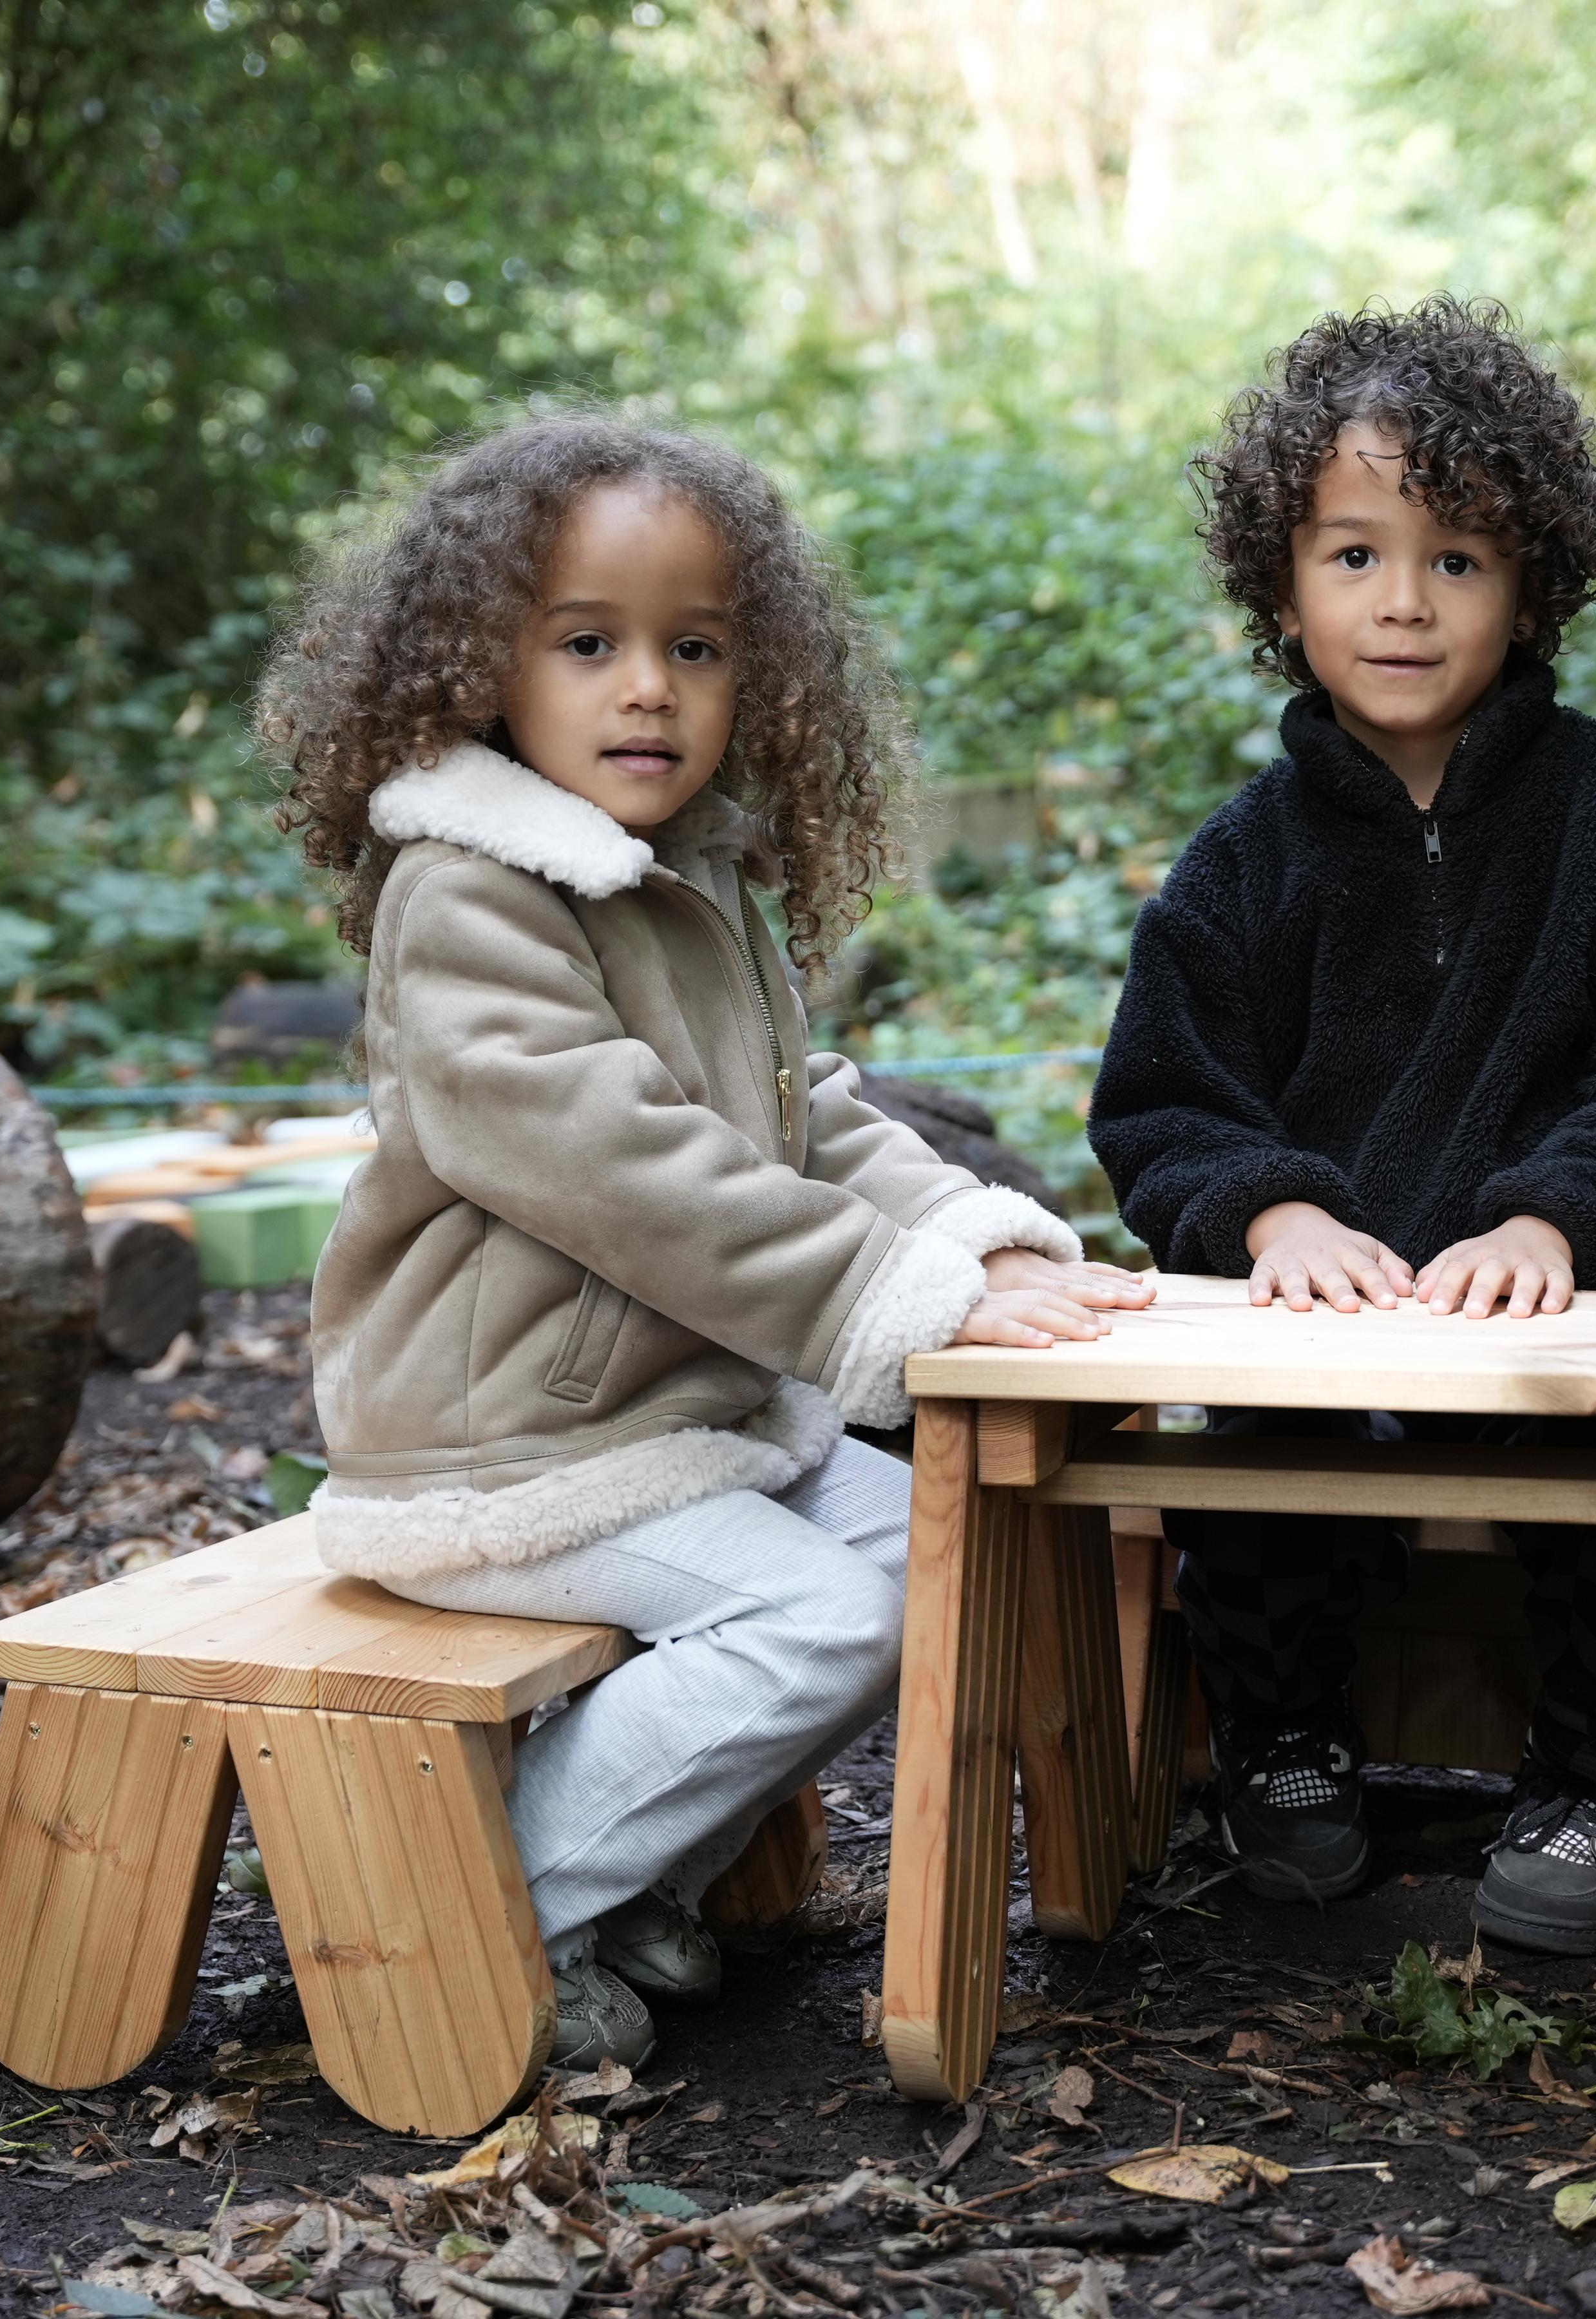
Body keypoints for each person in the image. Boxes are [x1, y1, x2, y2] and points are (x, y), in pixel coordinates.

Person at [258, 415, 1151, 2064]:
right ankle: (501, 1902)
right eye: (588, 644)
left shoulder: (693, 879)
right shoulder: (469, 897)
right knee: (821, 1620)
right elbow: (624, 1164)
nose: (647, 688)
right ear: (481, 673)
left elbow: (790, 1113)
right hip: (503, 1446)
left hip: (664, 1421)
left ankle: (626, 1858)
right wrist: (874, 1294)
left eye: (695, 647)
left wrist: (974, 1241)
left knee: (930, 1542)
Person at [1086, 300, 1596, 1956]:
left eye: (1458, 560)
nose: (1404, 602)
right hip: (1328, 1322)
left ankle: (1594, 1775)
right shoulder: (1240, 860)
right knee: (1241, 1444)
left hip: (1579, 1303)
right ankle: (1285, 1734)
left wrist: (1556, 1223)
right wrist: (1273, 1217)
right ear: (1282, 585)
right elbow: (1164, 1101)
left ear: (1533, 584)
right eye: (1354, 554)